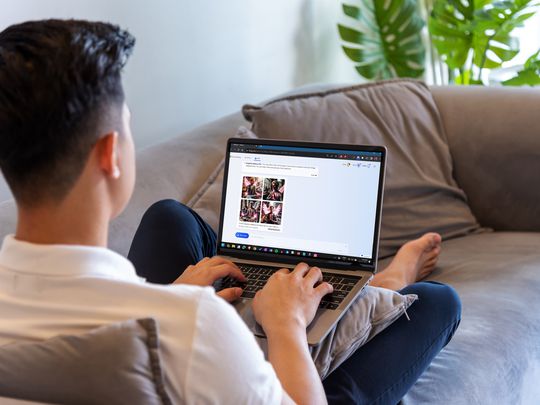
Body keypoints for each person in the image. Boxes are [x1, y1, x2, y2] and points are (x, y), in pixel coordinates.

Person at [0, 19, 461, 404]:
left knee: (170, 216)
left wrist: (171, 294)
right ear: (111, 155)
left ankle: (375, 286)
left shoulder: (166, 312)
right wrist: (285, 326)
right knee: (439, 301)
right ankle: (387, 284)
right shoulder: (195, 324)